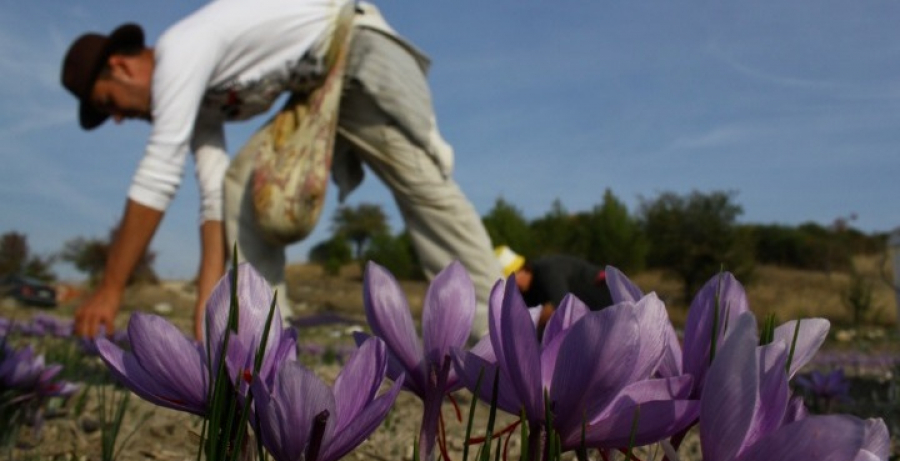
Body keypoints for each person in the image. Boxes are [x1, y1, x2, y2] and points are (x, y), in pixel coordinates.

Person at [61, 0, 502, 341]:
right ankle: (264, 338)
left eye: (108, 104)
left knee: (422, 188)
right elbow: (216, 190)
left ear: (119, 66)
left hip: (355, 48)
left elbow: (159, 170)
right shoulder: (198, 97)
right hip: (320, 86)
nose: (118, 118)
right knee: (241, 186)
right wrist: (209, 299)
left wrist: (109, 288)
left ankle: (494, 331)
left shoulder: (180, 50)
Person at [495, 245, 613, 335]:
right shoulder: (526, 292)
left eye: (511, 280)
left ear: (524, 269)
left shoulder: (548, 271)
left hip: (604, 294)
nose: (511, 287)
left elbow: (560, 306)